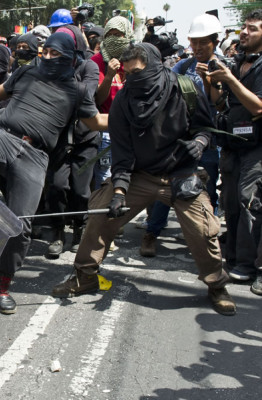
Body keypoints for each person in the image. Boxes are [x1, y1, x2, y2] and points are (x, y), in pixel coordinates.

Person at [51, 43, 236, 317]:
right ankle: (85, 276)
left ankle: (217, 285)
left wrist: (198, 143)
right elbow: (122, 153)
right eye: (126, 74)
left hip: (181, 175)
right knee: (100, 215)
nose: (131, 79)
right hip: (140, 175)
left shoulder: (184, 88)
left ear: (154, 64)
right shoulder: (124, 101)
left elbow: (205, 129)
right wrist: (119, 191)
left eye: (136, 71)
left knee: (202, 230)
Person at [0, 32, 108, 315]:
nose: (46, 57)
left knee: (19, 225)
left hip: (35, 156)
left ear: (70, 57)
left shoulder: (79, 90)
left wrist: (132, 119)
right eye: (44, 52)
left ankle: (3, 285)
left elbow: (96, 121)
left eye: (54, 54)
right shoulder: (26, 72)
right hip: (4, 136)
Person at [140, 13, 223, 258]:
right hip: (180, 141)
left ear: (214, 42)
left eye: (203, 43)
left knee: (206, 192)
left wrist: (212, 82)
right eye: (193, 42)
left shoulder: (226, 67)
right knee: (166, 187)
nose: (197, 48)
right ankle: (151, 234)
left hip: (209, 142)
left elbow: (220, 106)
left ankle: (204, 236)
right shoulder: (182, 66)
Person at [209, 9, 262, 293]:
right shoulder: (238, 61)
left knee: (249, 201)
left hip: (256, 147)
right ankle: (232, 259)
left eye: (252, 28)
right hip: (231, 144)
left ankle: (247, 264)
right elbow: (220, 104)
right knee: (229, 201)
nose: (244, 32)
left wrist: (230, 80)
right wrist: (213, 82)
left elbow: (258, 107)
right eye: (244, 27)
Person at [44, 24, 100, 258]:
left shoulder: (89, 66)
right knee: (56, 186)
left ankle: (80, 228)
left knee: (81, 190)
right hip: (58, 138)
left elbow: (83, 94)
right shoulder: (45, 69)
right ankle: (57, 232)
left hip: (85, 138)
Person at [91, 16, 133, 189]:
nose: (114, 39)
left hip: (132, 130)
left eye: (119, 34)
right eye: (110, 35)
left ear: (127, 35)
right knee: (105, 178)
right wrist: (108, 76)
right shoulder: (96, 62)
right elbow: (98, 99)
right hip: (106, 131)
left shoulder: (135, 59)